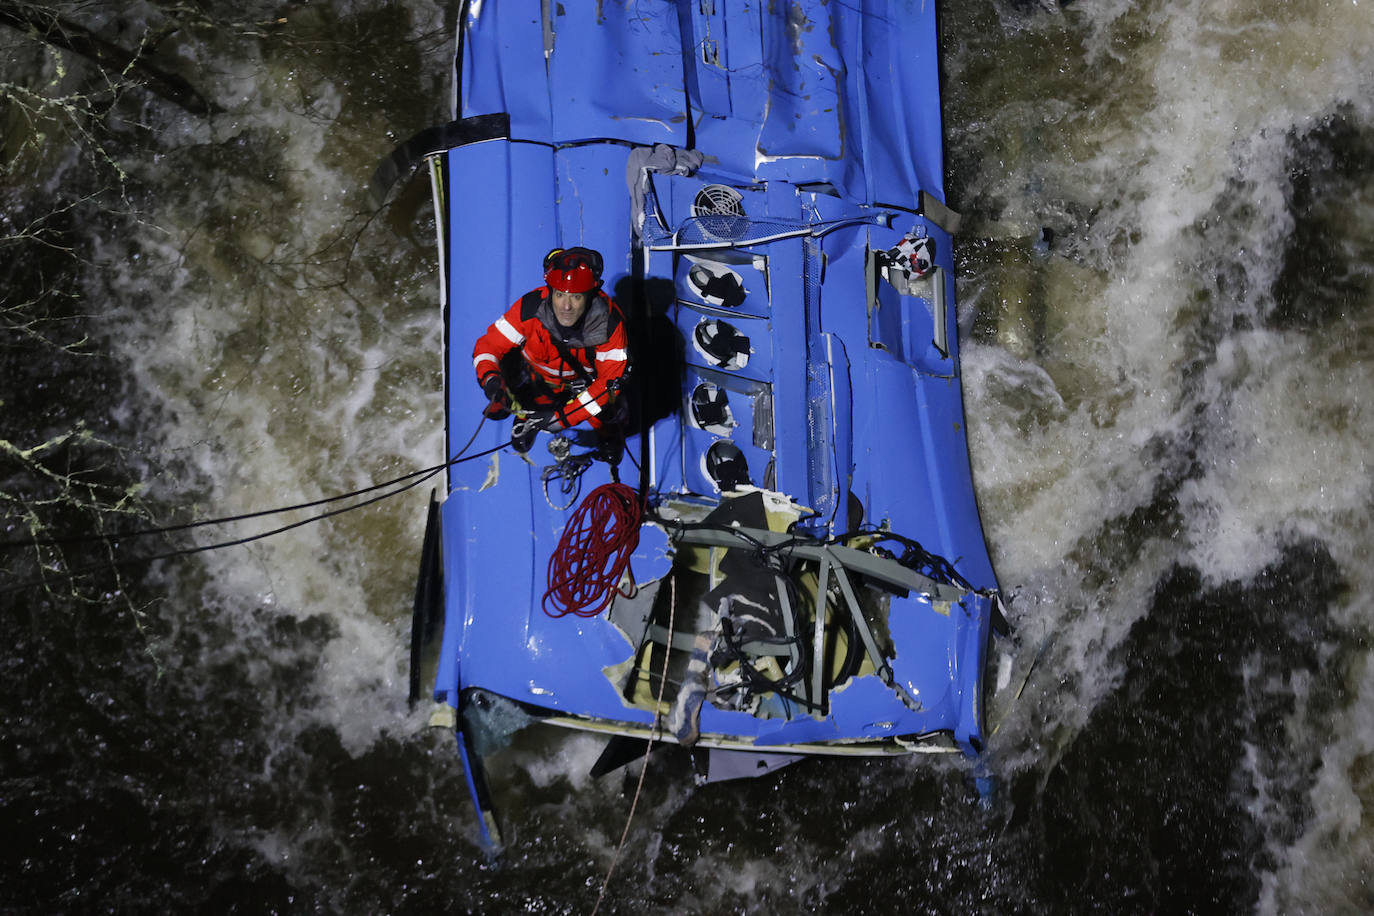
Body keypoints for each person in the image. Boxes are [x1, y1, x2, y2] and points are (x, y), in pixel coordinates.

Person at [472, 247, 628, 454]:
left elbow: (607, 385)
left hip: (583, 386)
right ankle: (525, 418)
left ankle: (609, 437)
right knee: (525, 397)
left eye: (576, 297)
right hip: (538, 379)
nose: (566, 306)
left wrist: (563, 418)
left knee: (608, 411)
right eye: (560, 294)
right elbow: (488, 346)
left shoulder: (609, 326)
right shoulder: (528, 308)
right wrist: (490, 379)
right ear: (550, 291)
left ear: (589, 295)